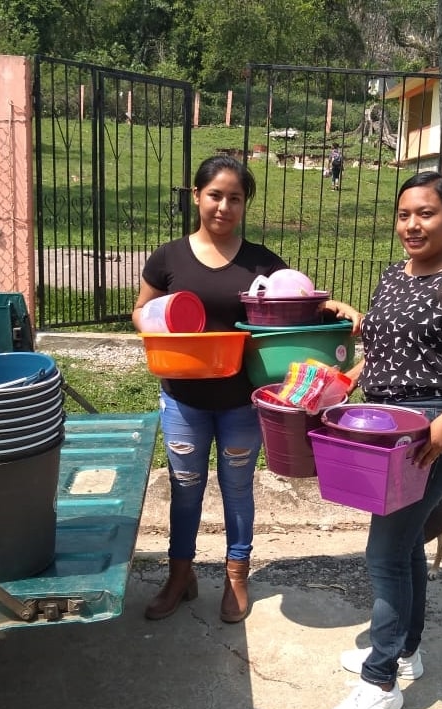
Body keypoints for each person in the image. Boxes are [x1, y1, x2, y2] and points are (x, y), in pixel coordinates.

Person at [132, 154, 360, 624]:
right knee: (185, 488)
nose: (224, 206)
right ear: (197, 196)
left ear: (244, 204)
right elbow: (141, 309)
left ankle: (237, 575)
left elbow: (296, 305)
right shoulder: (168, 257)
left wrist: (331, 305)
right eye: (215, 195)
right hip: (183, 399)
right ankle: (180, 575)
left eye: (235, 198)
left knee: (237, 488)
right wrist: (161, 329)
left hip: (241, 401)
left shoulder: (263, 263)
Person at [320, 171, 442, 709]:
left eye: (426, 213)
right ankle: (405, 652)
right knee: (403, 545)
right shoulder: (394, 276)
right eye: (404, 215)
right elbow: (380, 351)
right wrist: (342, 383)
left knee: (384, 552)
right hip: (380, 428)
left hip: (428, 434)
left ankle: (380, 683)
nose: (413, 225)